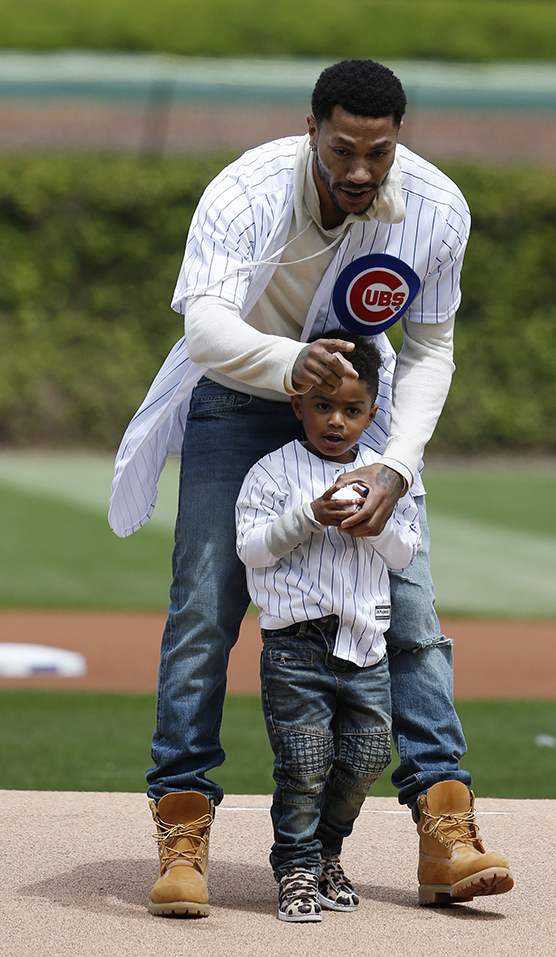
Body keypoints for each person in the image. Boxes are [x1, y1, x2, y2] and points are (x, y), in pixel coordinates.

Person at [108, 58, 512, 918]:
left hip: (363, 405)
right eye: (343, 150)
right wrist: (291, 362)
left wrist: (396, 465)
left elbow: (433, 345)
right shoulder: (247, 190)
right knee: (205, 608)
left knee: (411, 608)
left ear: (398, 142)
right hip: (244, 386)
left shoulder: (436, 209)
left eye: (379, 152)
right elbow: (207, 323)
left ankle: (447, 826)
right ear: (312, 131)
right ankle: (183, 823)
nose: (360, 171)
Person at [236, 333, 419, 922]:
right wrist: (309, 516)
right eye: (322, 405)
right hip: (295, 643)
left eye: (352, 409)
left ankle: (325, 855)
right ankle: (294, 868)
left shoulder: (386, 476)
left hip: (365, 641)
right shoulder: (273, 471)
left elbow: (406, 554)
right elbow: (252, 549)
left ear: (372, 411)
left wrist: (377, 524)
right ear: (298, 404)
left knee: (366, 759)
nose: (336, 421)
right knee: (305, 763)